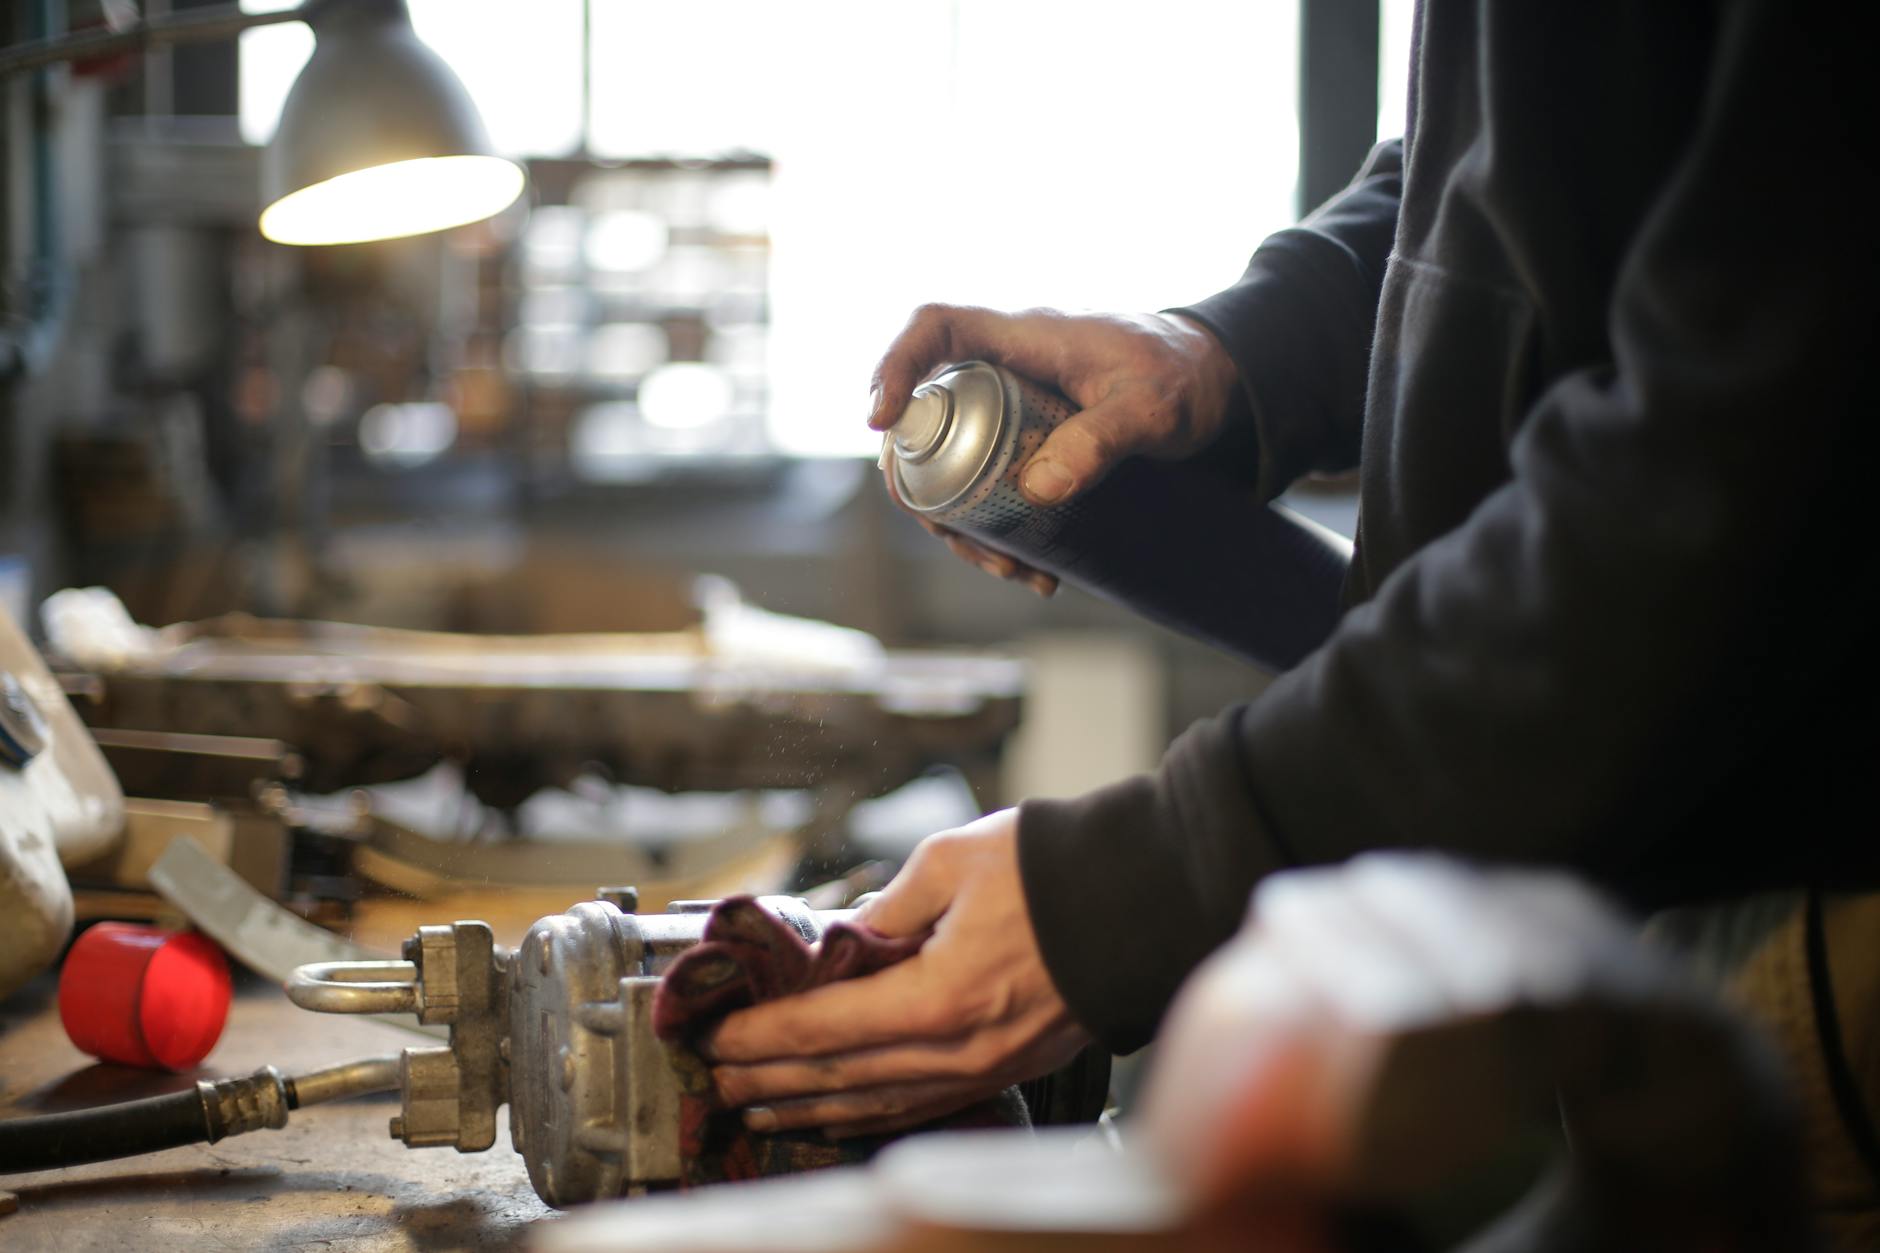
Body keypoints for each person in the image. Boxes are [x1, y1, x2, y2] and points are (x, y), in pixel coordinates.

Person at [705, 1, 1875, 1238]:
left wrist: (1145, 884)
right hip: (1595, 852)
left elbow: (1727, 460)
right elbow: (1509, 167)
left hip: (1805, 898)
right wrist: (1236, 355)